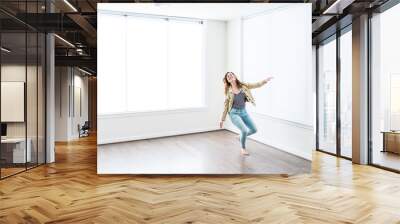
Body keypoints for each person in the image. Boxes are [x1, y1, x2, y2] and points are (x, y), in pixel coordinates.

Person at [220, 72, 273, 155]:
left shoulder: (243, 86)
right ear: (227, 80)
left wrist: (265, 81)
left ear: (235, 76)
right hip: (234, 113)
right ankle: (243, 148)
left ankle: (240, 136)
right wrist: (222, 119)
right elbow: (226, 106)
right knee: (244, 130)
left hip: (243, 112)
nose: (230, 76)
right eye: (228, 76)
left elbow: (256, 85)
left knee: (254, 130)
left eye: (231, 75)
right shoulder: (228, 92)